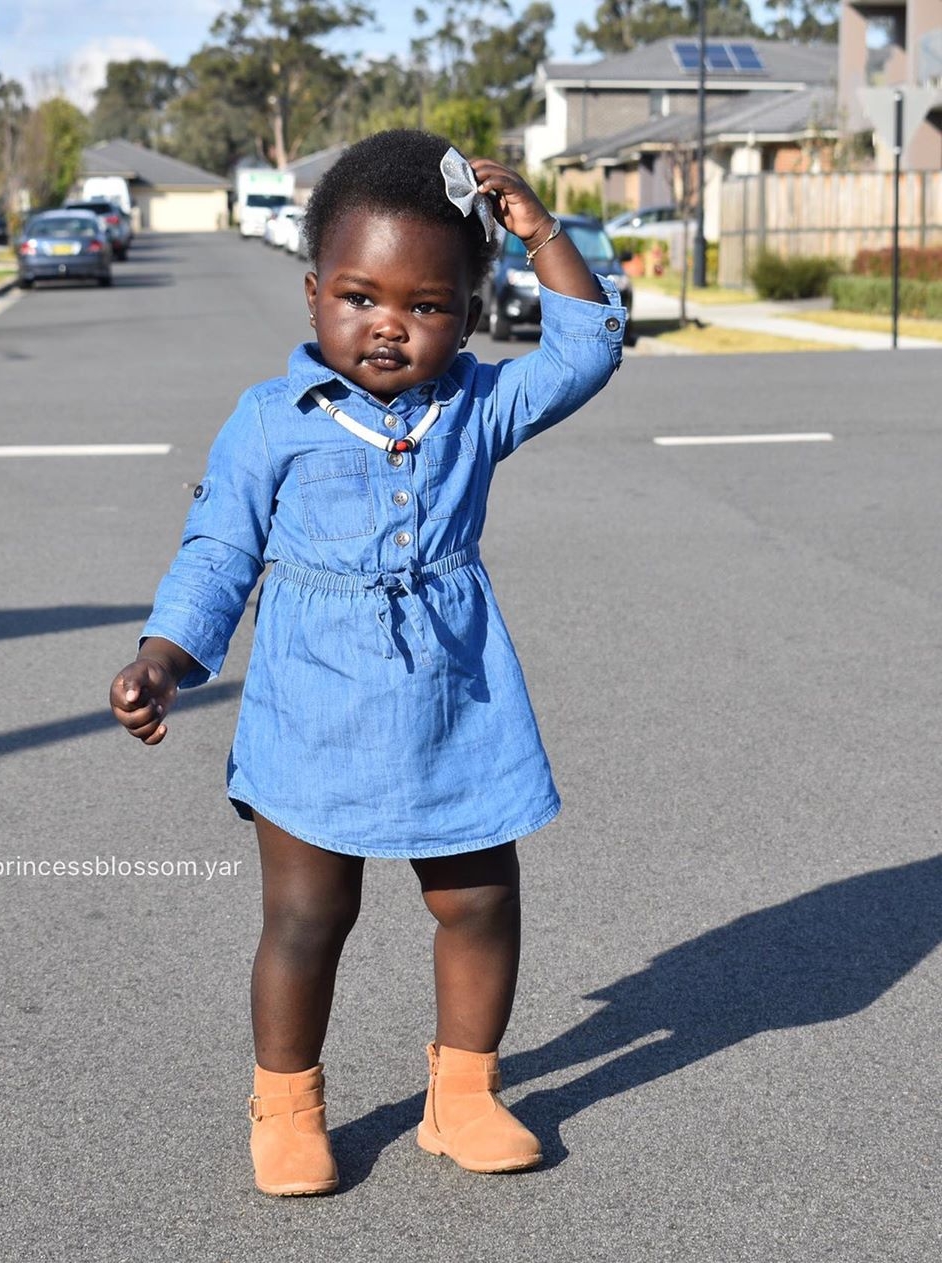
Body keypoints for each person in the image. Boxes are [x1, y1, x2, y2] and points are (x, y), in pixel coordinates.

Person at [109, 129, 625, 1196]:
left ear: (468, 314)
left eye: (428, 306)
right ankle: (286, 1104)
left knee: (479, 897)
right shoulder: (269, 423)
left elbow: (588, 348)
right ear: (310, 296)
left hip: (457, 699)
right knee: (308, 916)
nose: (390, 324)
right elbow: (218, 551)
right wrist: (163, 657)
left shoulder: (479, 406)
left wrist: (540, 230)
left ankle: (465, 1097)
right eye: (360, 296)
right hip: (312, 707)